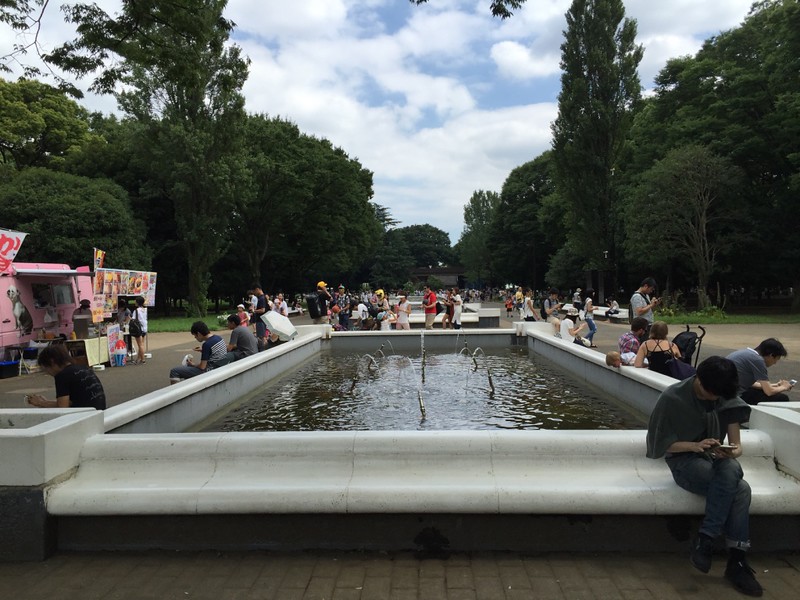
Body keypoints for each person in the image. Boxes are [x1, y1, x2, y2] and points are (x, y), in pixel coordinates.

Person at [646, 356, 763, 597]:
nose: (714, 399)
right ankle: (736, 561)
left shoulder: (724, 393)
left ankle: (707, 539)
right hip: (684, 460)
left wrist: (728, 451)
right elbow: (660, 445)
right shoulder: (672, 398)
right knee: (741, 489)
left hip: (715, 460)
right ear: (698, 379)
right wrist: (694, 446)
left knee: (732, 471)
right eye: (710, 393)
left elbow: (737, 446)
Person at [26, 344, 106, 410]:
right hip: (99, 412)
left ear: (52, 362)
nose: (48, 373)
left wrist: (41, 403)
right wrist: (46, 402)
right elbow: (69, 401)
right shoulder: (84, 368)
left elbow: (63, 407)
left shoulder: (62, 376)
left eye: (46, 369)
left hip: (85, 417)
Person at [726, 339, 794, 405]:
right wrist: (784, 387)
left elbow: (746, 383)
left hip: (725, 391)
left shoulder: (745, 352)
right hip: (735, 396)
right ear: (771, 355)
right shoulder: (758, 360)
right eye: (776, 359)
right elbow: (769, 392)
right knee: (782, 398)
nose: (775, 363)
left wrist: (775, 385)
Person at [131, 296, 148, 365]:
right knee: (141, 344)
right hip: (144, 328)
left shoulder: (136, 311)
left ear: (137, 302)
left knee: (140, 345)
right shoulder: (145, 310)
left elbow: (133, 319)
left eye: (135, 301)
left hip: (138, 328)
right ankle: (138, 359)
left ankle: (143, 359)